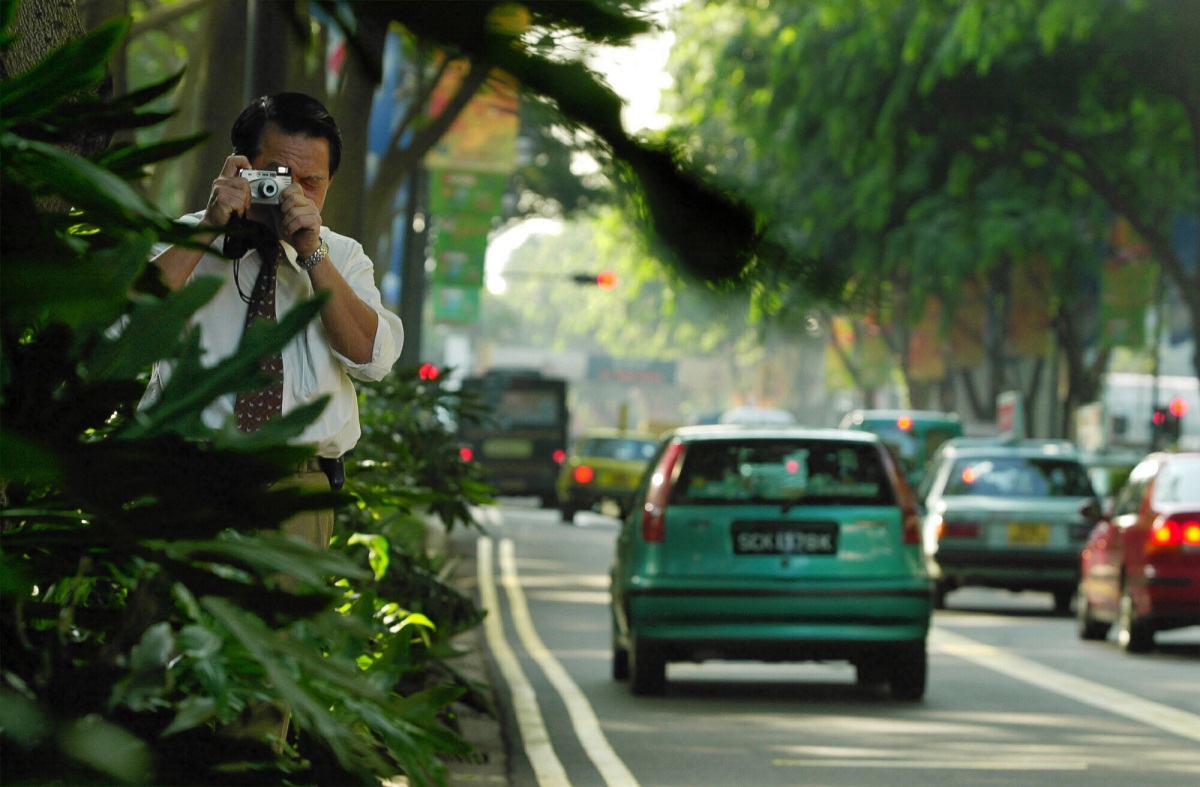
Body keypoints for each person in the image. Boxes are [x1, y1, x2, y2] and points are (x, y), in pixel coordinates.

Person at [144, 92, 404, 550]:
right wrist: (209, 227)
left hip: (297, 489)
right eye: (280, 176)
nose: (293, 194)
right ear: (242, 167)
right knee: (182, 618)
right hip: (189, 477)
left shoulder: (341, 256)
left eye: (312, 182)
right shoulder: (184, 239)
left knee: (284, 623)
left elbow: (372, 359)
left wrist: (311, 252)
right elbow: (124, 328)